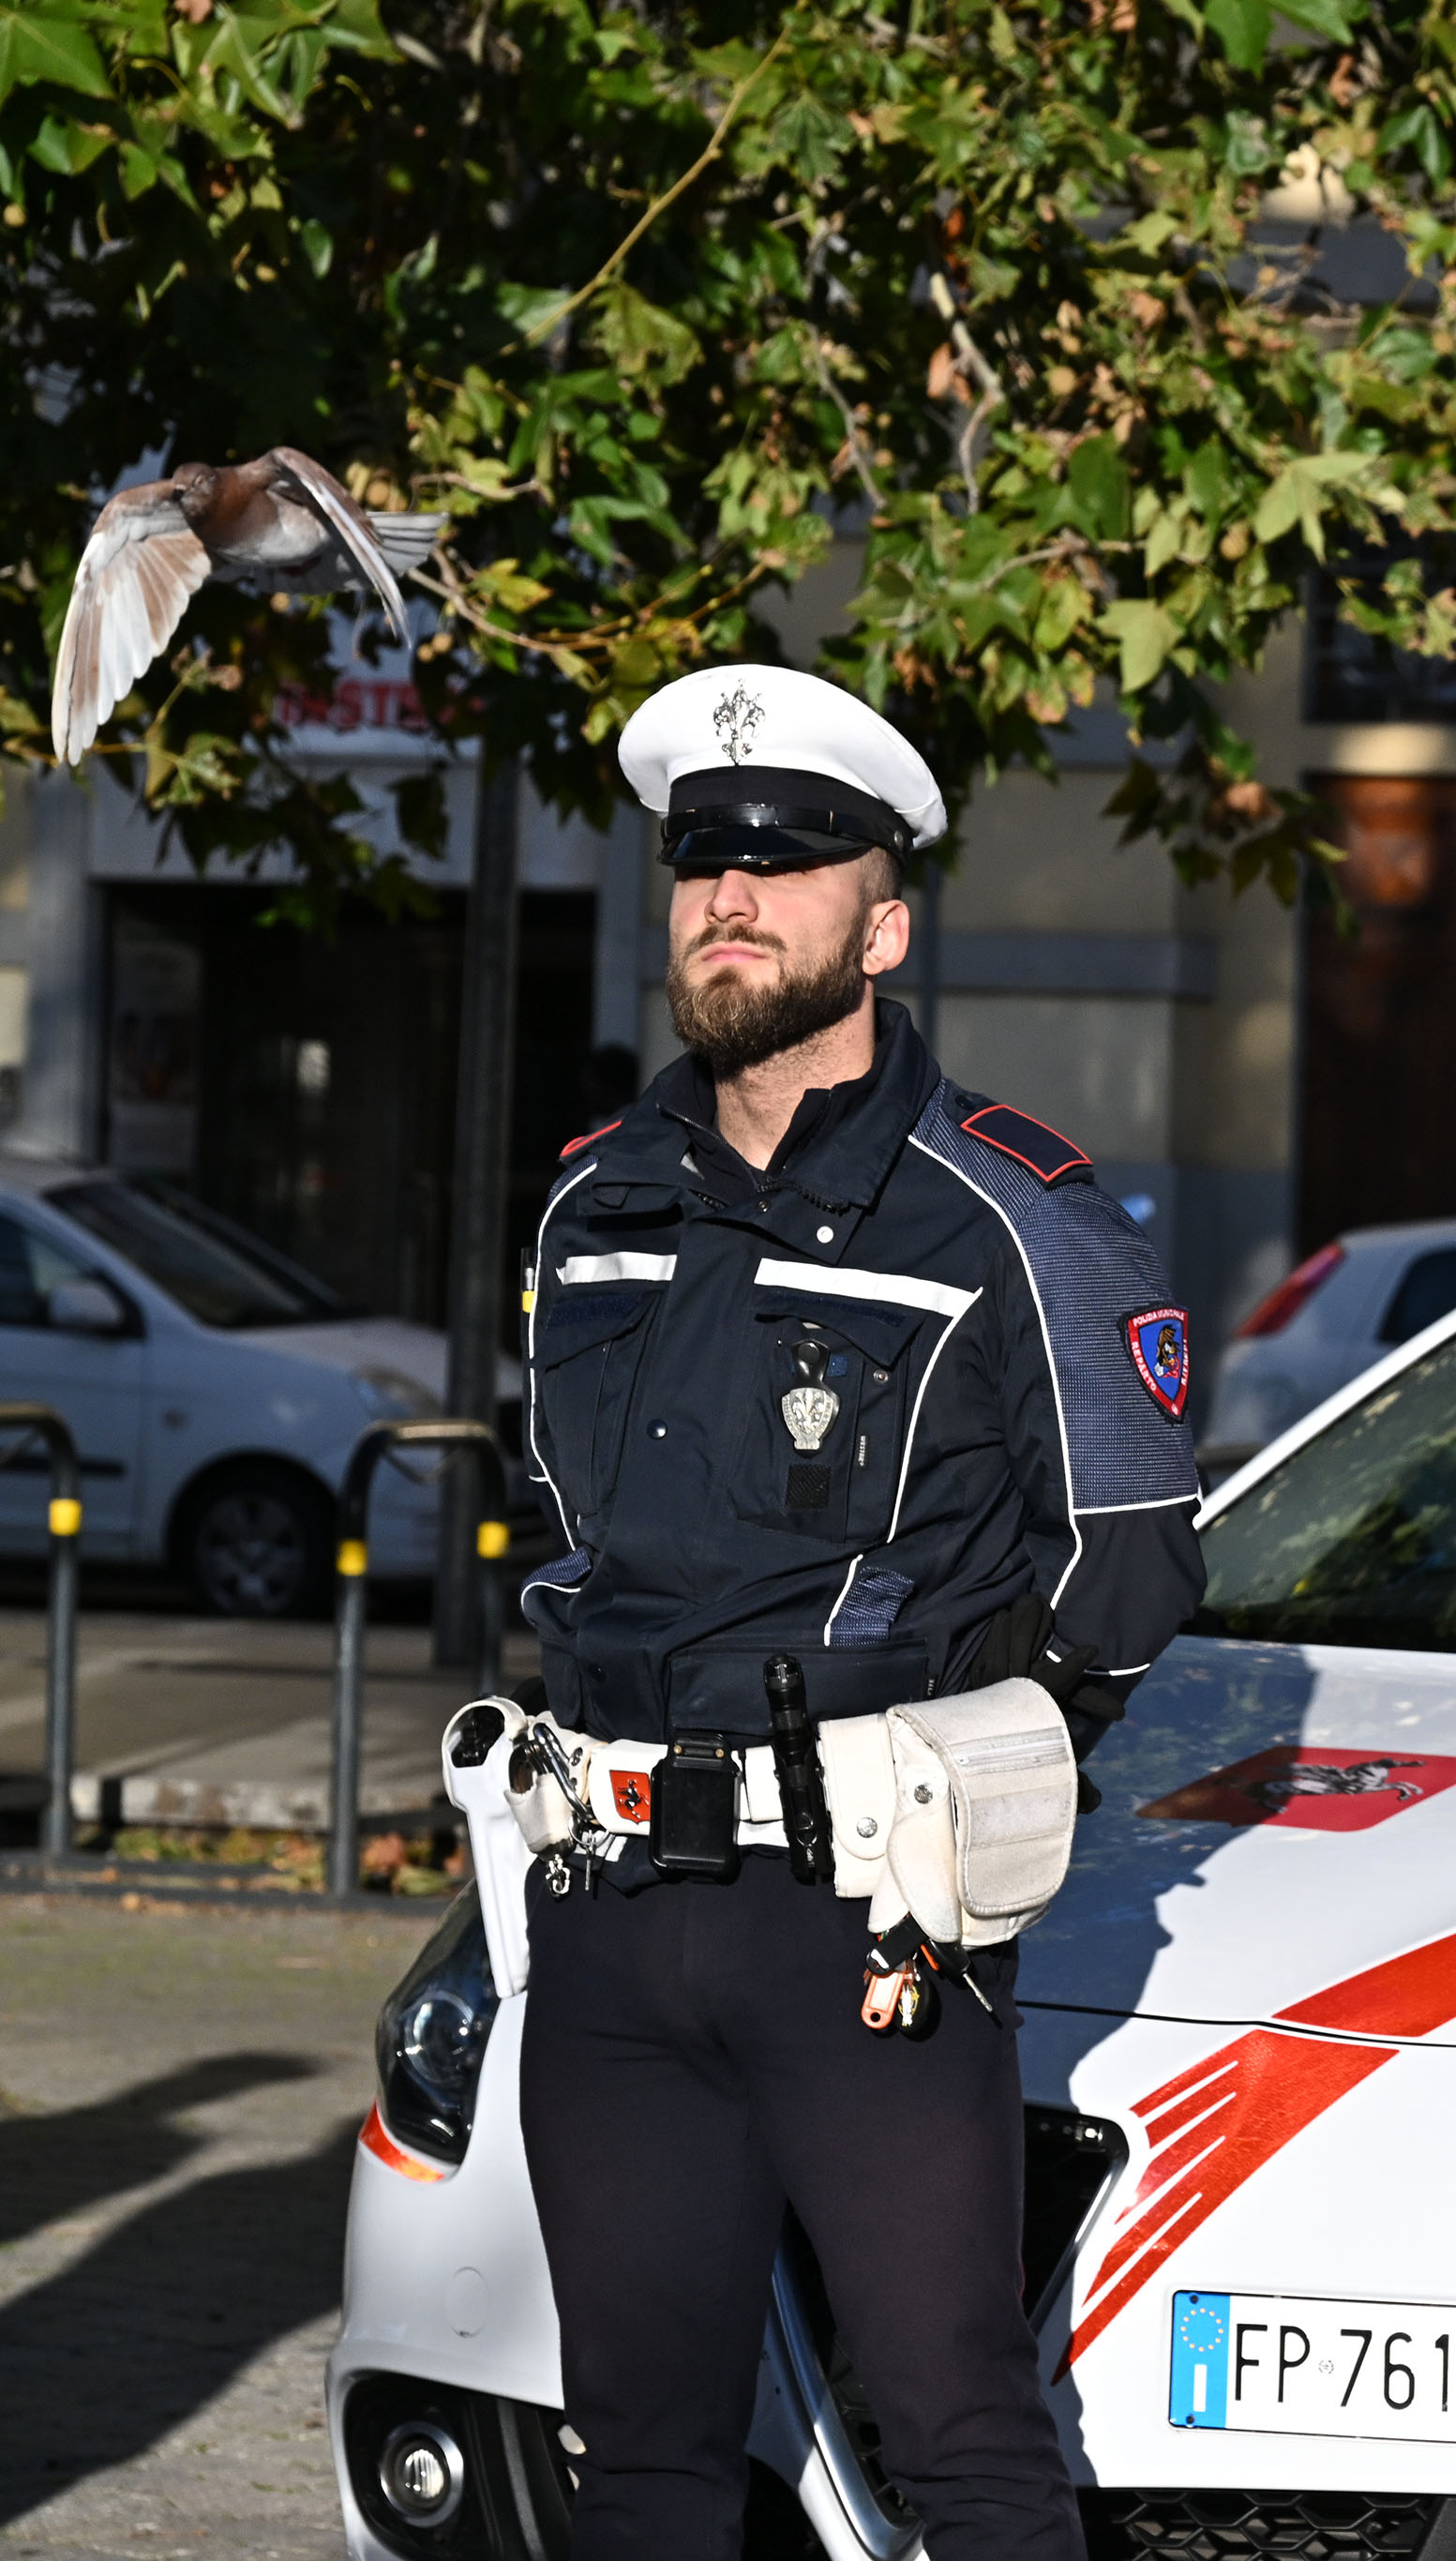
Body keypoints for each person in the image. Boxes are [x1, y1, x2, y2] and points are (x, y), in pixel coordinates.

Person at [505, 662, 1204, 2561]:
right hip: (612, 1912)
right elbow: (577, 1525)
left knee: (955, 2429)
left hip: (863, 1919)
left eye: (788, 867)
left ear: (878, 924)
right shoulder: (592, 1203)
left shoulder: (1003, 1210)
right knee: (638, 2451)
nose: (731, 901)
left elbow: (1131, 1560)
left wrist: (982, 1767)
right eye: (701, 867)